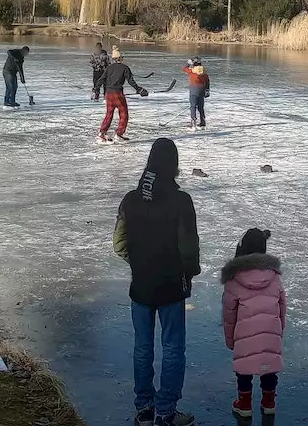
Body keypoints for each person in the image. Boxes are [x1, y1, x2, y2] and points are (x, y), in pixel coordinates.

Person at [114, 138, 201, 426]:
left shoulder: (131, 199)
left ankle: (144, 410)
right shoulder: (181, 201)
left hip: (140, 286)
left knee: (142, 347)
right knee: (173, 347)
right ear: (174, 166)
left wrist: (139, 263)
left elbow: (119, 244)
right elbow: (188, 249)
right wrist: (188, 272)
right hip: (171, 288)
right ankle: (165, 412)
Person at [221, 228, 285, 419]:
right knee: (269, 367)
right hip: (270, 333)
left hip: (245, 336)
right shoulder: (275, 278)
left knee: (245, 368)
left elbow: (229, 314)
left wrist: (230, 339)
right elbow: (282, 306)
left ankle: (245, 403)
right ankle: (269, 402)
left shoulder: (234, 280)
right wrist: (279, 331)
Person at [99, 47, 147, 143]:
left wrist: (95, 90)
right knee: (123, 113)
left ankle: (102, 133)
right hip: (118, 94)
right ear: (120, 58)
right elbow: (131, 81)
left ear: (113, 59)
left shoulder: (109, 68)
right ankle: (119, 134)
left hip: (108, 93)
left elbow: (101, 79)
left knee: (109, 114)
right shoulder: (125, 68)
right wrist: (139, 89)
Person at [181, 56, 210, 132]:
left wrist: (188, 63)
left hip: (194, 90)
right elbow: (207, 81)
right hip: (202, 90)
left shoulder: (192, 71)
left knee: (193, 106)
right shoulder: (204, 72)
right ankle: (203, 123)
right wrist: (207, 90)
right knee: (200, 107)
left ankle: (193, 124)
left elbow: (184, 68)